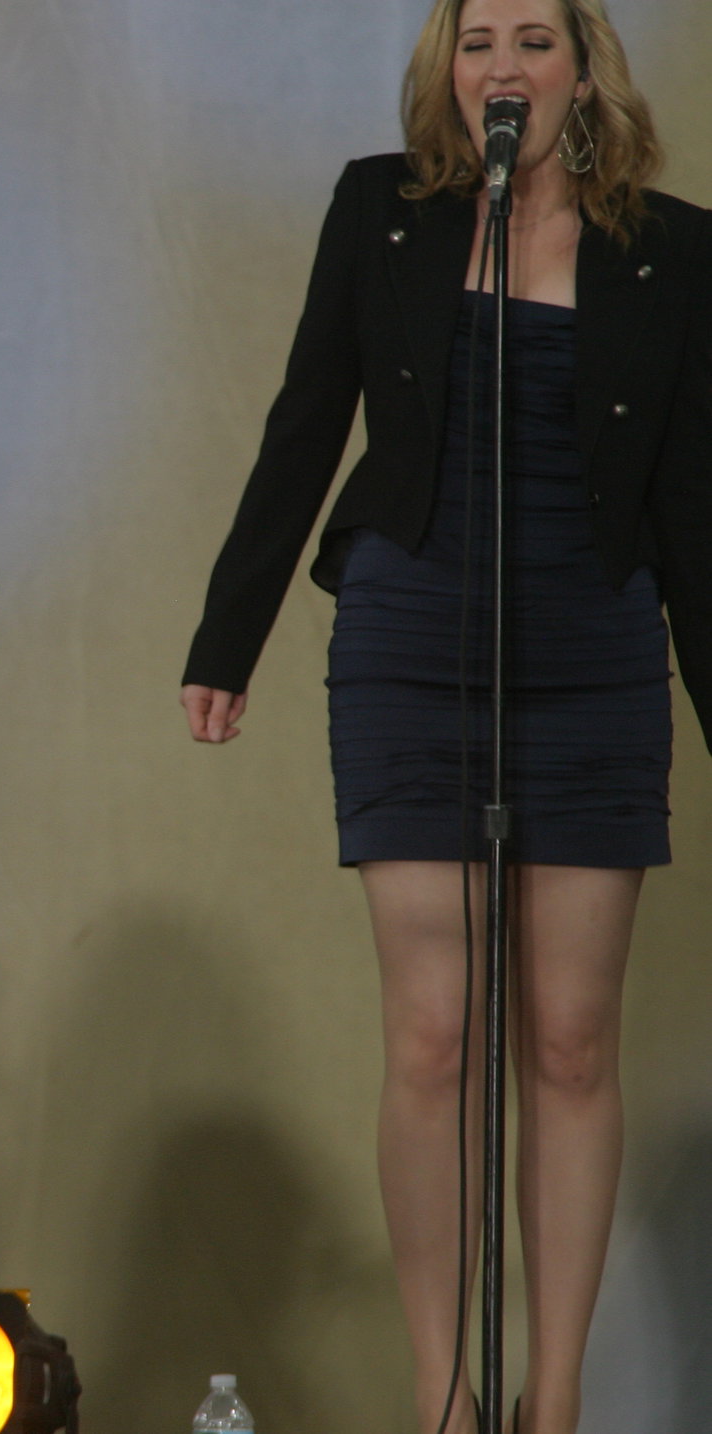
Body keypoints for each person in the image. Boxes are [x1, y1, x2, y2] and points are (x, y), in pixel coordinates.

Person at [179, 3, 712, 1431]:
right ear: (443, 70)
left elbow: (692, 501)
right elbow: (307, 421)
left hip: (593, 652)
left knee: (566, 1041)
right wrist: (227, 635)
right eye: (477, 42)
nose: (502, 69)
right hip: (413, 638)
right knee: (428, 1035)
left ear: (581, 69)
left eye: (533, 41)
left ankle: (551, 1398)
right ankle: (444, 1393)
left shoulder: (672, 248)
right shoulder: (383, 212)